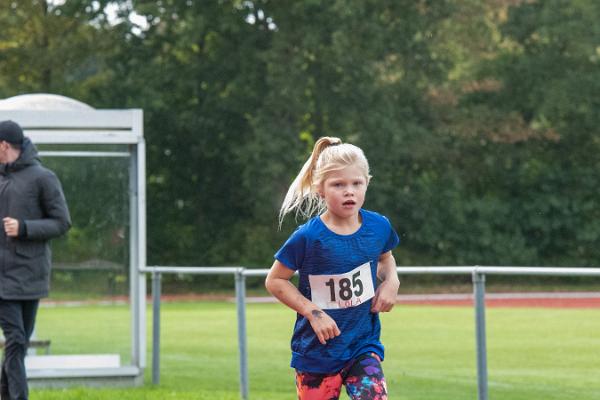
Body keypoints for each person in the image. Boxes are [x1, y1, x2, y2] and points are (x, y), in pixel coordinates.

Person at [265, 137, 400, 400]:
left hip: (363, 346)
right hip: (317, 353)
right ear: (320, 189)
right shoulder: (308, 237)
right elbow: (275, 280)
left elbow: (386, 259)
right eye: (338, 184)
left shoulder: (378, 227)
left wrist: (391, 282)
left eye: (356, 183)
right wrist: (313, 312)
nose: (349, 191)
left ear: (367, 183)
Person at [0, 120, 71, 400]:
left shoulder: (43, 178)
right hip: (2, 279)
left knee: (18, 345)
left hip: (30, 275)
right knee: (16, 339)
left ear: (4, 145)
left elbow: (61, 222)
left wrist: (25, 228)